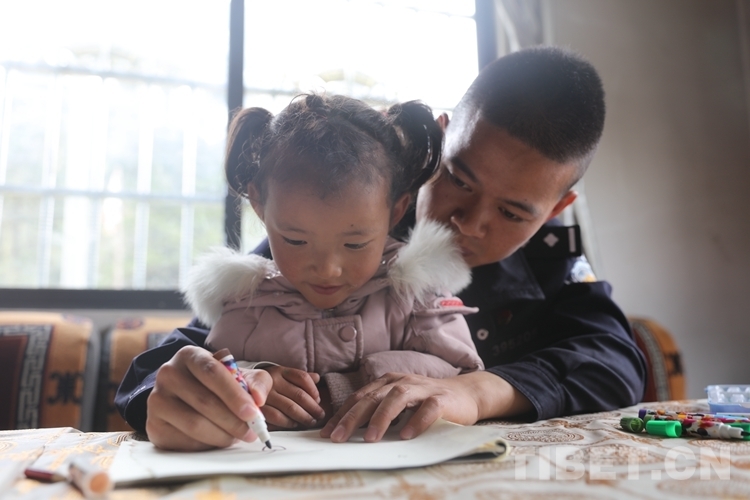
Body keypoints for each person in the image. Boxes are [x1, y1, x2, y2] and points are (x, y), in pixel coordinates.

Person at [116, 46, 647, 449]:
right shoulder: (344, 235)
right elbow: (166, 365)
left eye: (512, 213)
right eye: (459, 179)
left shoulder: (550, 266)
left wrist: (478, 391)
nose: (469, 223)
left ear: (556, 208)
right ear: (440, 139)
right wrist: (212, 386)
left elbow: (616, 362)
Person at [118, 93, 484, 450]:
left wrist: (348, 385)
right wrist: (246, 379)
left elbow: (464, 377)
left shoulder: (418, 297)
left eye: (355, 244)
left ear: (396, 211)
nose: (327, 269)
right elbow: (206, 369)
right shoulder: (246, 303)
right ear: (259, 205)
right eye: (295, 240)